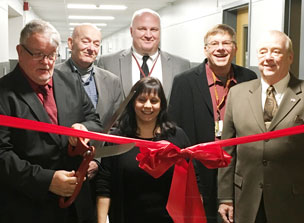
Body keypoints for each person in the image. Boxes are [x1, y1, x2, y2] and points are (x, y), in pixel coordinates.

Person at [0, 20, 102, 223]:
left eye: (51, 54)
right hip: (27, 206)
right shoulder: (4, 92)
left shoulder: (70, 82)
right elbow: (2, 153)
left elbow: (94, 121)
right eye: (38, 54)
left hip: (77, 205)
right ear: (20, 52)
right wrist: (46, 181)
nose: (46, 62)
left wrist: (84, 129)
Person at [218, 30, 304, 223]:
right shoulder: (237, 94)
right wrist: (226, 197)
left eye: (276, 51)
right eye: (262, 52)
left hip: (294, 200)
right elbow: (227, 150)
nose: (268, 58)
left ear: (290, 57)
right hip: (246, 198)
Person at [168, 24, 257, 222]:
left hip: (237, 165)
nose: (221, 48)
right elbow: (174, 129)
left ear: (234, 48)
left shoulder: (249, 79)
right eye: (214, 43)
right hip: (199, 168)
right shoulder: (185, 81)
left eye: (226, 43)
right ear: (205, 49)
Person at [95, 77, 190, 223]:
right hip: (127, 217)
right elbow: (104, 184)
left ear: (162, 105)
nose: (147, 106)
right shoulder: (117, 138)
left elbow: (192, 181)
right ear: (132, 102)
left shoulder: (177, 137)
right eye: (142, 99)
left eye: (154, 101)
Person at [55, 24, 124, 180]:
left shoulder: (112, 82)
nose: (91, 48)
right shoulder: (52, 77)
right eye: (86, 41)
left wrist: (97, 160)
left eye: (96, 43)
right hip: (61, 170)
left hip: (101, 169)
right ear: (71, 43)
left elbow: (116, 127)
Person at [97, 8, 191, 99]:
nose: (148, 35)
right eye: (142, 29)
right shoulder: (108, 63)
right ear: (131, 31)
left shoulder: (181, 65)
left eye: (154, 29)